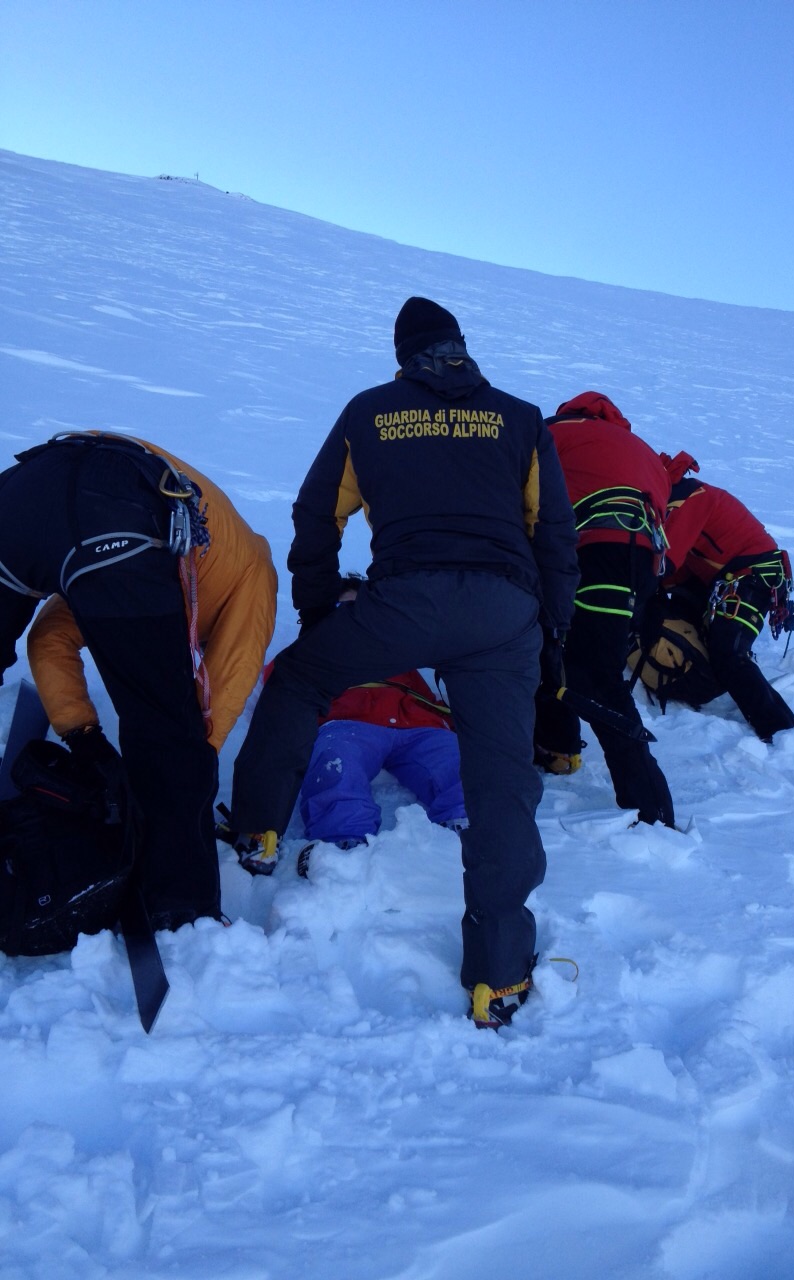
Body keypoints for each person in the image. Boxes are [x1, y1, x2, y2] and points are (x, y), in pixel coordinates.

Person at [228, 296, 579, 1029]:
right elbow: (554, 535)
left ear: (402, 354)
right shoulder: (519, 417)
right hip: (504, 611)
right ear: (460, 348)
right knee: (500, 781)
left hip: (404, 598)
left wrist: (322, 614)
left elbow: (317, 512)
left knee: (299, 679)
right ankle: (499, 976)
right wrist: (550, 634)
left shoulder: (372, 410)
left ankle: (258, 831)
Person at [0, 430, 277, 931]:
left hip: (25, 492)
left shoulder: (173, 559)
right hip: (119, 509)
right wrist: (178, 783)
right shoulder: (252, 571)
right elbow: (219, 698)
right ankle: (181, 908)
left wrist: (85, 739)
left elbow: (48, 640)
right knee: (170, 736)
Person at [533, 391, 675, 826]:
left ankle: (649, 805)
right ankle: (559, 748)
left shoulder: (552, 433)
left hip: (596, 548)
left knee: (592, 673)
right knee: (575, 655)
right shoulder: (640, 449)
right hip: (641, 559)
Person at [660, 450, 794, 741]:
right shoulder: (680, 501)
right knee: (721, 649)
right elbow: (676, 572)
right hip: (732, 578)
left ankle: (781, 732)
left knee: (730, 656)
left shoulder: (690, 499)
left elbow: (665, 561)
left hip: (750, 577)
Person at [294, 668, 467, 874]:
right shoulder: (313, 651)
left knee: (460, 763)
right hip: (348, 720)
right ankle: (341, 844)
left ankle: (467, 827)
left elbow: (427, 698)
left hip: (417, 724)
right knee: (337, 762)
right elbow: (285, 686)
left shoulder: (403, 659)